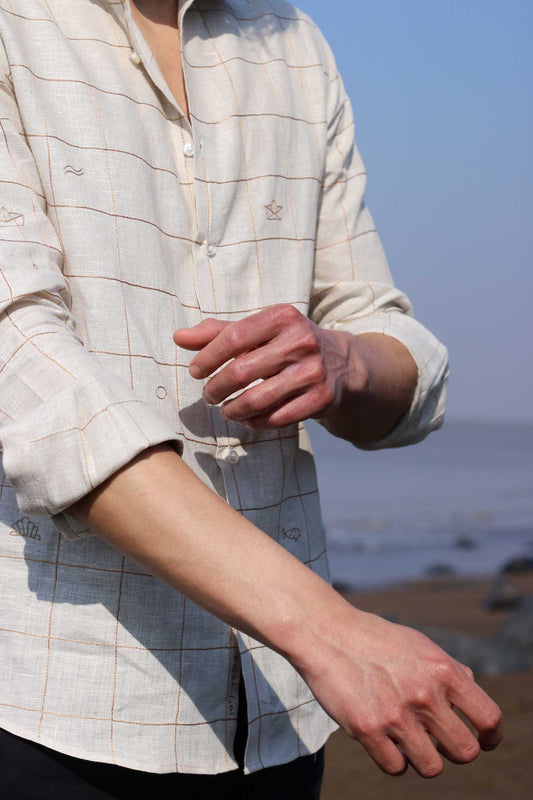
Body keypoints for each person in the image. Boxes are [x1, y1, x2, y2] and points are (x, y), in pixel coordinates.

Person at [0, 0, 502, 797]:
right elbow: (30, 379)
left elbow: (386, 336)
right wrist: (331, 630)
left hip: (282, 719)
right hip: (55, 706)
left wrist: (344, 362)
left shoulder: (292, 41)